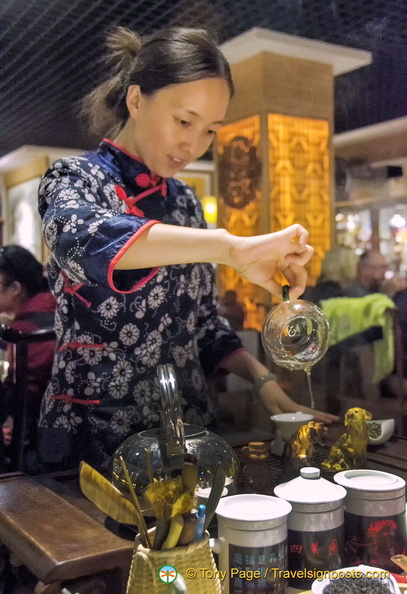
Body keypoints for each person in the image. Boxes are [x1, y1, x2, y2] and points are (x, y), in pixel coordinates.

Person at [37, 25, 338, 471]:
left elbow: (202, 323)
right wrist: (226, 246)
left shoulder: (185, 201)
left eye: (211, 130)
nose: (194, 145)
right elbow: (82, 240)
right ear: (136, 100)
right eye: (184, 121)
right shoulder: (75, 179)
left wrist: (264, 381)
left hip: (189, 431)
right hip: (95, 432)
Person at [0, 245, 56, 473]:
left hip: (35, 441)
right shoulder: (52, 305)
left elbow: (18, 394)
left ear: (15, 289)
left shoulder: (24, 331)